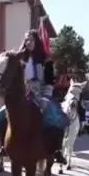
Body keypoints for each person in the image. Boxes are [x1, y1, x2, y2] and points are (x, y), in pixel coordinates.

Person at [20, 30, 68, 164]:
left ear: (37, 41)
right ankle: (2, 146)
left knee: (55, 115)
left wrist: (46, 97)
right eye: (26, 40)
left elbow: (49, 81)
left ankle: (56, 149)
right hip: (22, 94)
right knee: (2, 114)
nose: (28, 42)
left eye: (31, 40)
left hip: (41, 93)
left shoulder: (46, 60)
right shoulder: (20, 59)